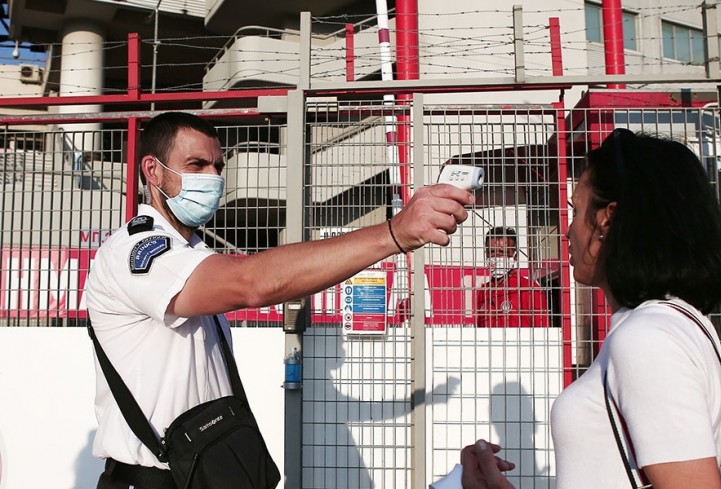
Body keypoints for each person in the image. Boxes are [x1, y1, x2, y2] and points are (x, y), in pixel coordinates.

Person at [84, 112, 474, 489]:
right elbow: (250, 283)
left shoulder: (192, 252)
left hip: (207, 474)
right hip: (154, 479)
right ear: (153, 172)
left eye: (218, 166)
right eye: (197, 164)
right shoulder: (137, 248)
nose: (214, 178)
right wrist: (394, 234)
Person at [459, 129, 721, 488]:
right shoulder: (673, 324)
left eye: (576, 211)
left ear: (606, 220)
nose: (567, 232)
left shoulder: (647, 338)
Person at [475, 227, 550, 327]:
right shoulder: (483, 292)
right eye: (492, 252)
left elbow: (543, 331)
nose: (496, 257)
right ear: (486, 255)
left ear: (515, 257)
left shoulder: (530, 289)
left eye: (502, 252)